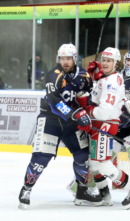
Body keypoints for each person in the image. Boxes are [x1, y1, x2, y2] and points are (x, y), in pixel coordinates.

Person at [18, 43, 102, 209]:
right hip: (51, 119)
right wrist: (75, 114)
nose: (65, 62)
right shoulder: (53, 75)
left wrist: (96, 77)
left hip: (71, 123)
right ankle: (26, 189)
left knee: (82, 155)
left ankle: (82, 191)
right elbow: (54, 101)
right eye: (62, 58)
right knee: (41, 157)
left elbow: (89, 95)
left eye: (68, 58)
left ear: (74, 59)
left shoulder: (84, 75)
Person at [79, 47, 130, 209]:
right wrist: (93, 79)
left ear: (116, 63)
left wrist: (86, 110)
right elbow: (95, 98)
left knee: (103, 164)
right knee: (94, 165)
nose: (105, 63)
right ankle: (105, 195)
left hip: (105, 125)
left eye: (109, 61)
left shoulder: (112, 82)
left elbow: (105, 111)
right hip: (98, 126)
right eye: (103, 60)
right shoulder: (104, 78)